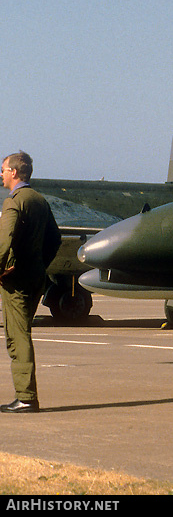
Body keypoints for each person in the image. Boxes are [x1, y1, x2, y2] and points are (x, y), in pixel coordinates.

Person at [0, 152, 60, 413]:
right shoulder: (39, 200)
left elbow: (4, 241)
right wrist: (39, 264)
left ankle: (26, 397)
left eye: (3, 169)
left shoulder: (14, 202)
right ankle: (26, 395)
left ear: (14, 172)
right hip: (35, 277)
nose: (1, 174)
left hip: (17, 281)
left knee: (18, 336)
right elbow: (54, 239)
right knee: (22, 331)